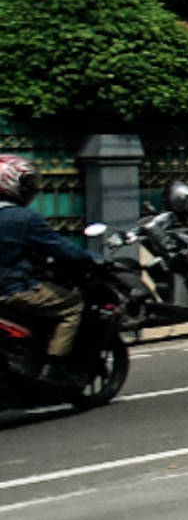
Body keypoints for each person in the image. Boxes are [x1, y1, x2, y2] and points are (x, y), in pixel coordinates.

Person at [0, 153, 97, 368]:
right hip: (14, 290)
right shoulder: (22, 218)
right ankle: (55, 367)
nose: (31, 189)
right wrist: (91, 259)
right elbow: (64, 249)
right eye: (27, 183)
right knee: (72, 306)